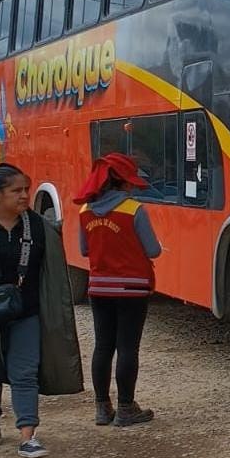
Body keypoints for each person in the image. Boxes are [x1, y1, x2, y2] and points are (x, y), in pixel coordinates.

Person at [0, 163, 82, 458]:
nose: (25, 196)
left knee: (25, 372)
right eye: (17, 191)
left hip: (25, 311)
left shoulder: (37, 226)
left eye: (26, 189)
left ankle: (28, 435)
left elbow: (52, 272)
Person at [75, 153, 162, 427]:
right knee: (127, 348)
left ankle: (102, 408)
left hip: (99, 288)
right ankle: (126, 408)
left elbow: (84, 250)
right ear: (123, 182)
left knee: (103, 346)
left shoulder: (85, 211)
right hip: (132, 290)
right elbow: (153, 250)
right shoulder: (134, 210)